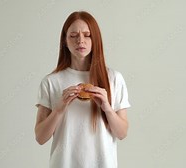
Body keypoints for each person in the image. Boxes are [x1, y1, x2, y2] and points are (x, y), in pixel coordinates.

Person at [34, 11, 131, 168]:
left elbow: (122, 133)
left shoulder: (114, 78)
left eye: (87, 35)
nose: (80, 40)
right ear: (65, 41)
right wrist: (58, 109)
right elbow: (40, 137)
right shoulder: (51, 82)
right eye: (73, 35)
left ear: (95, 39)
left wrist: (106, 107)